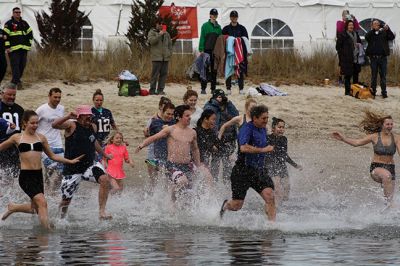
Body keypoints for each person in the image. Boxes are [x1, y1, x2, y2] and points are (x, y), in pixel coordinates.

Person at [0, 110, 82, 230]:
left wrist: (69, 161)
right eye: (32, 123)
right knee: (43, 202)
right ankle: (46, 232)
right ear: (25, 123)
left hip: (38, 175)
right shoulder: (17, 137)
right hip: (25, 176)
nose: (35, 125)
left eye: (37, 123)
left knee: (36, 208)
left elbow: (52, 156)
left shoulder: (41, 138)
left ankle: (13, 207)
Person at [136, 105, 212, 201]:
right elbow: (154, 137)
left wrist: (198, 164)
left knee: (206, 177)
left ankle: (204, 202)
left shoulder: (192, 132)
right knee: (182, 182)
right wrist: (141, 145)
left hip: (187, 165)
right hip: (172, 165)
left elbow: (195, 149)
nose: (190, 118)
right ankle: (170, 201)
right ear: (179, 117)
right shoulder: (171, 129)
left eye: (190, 115)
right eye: (187, 116)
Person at [52, 105, 113, 219]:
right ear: (79, 116)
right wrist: (68, 116)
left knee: (104, 180)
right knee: (65, 202)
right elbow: (54, 125)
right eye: (87, 116)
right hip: (72, 169)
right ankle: (59, 219)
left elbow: (94, 142)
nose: (89, 119)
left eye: (90, 116)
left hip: (89, 165)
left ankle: (102, 212)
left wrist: (105, 155)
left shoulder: (92, 127)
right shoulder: (72, 125)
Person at [332, 111, 400, 207]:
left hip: (391, 168)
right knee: (387, 177)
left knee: (389, 198)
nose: (390, 126)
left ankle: (385, 216)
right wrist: (343, 138)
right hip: (377, 167)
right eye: (387, 124)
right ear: (382, 125)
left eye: (391, 124)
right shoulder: (375, 136)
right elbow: (357, 142)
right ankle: (390, 205)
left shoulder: (396, 138)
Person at [220, 105, 276, 221]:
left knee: (270, 196)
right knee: (237, 205)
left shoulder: (263, 129)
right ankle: (225, 206)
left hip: (258, 171)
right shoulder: (246, 129)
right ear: (255, 118)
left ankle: (272, 227)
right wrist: (263, 150)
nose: (266, 121)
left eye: (267, 118)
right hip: (242, 171)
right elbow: (243, 148)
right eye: (263, 118)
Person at [265, 117, 302, 205]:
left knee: (287, 187)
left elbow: (284, 155)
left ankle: (283, 207)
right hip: (271, 165)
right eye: (279, 127)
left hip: (281, 166)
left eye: (283, 127)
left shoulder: (284, 139)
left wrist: (295, 165)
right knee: (277, 188)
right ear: (273, 128)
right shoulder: (267, 138)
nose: (281, 129)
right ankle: (275, 207)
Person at [204, 89, 239, 180]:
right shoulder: (210, 106)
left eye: (222, 97)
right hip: (216, 138)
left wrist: (229, 102)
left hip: (229, 138)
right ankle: (213, 181)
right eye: (219, 97)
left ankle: (227, 182)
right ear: (214, 97)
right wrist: (217, 103)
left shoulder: (228, 105)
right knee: (215, 161)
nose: (221, 99)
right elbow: (207, 117)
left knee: (227, 162)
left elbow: (236, 115)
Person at [36, 88, 65, 189]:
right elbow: (33, 123)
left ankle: (54, 191)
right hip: (44, 144)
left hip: (58, 143)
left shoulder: (61, 108)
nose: (57, 99)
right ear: (49, 96)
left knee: (62, 170)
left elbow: (60, 124)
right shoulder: (41, 109)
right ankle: (46, 186)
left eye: (59, 97)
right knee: (50, 168)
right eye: (55, 97)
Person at [143, 96, 172, 185]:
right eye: (164, 105)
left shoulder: (171, 120)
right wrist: (146, 133)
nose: (165, 107)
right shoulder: (153, 120)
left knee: (167, 178)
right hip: (152, 152)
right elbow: (147, 136)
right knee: (153, 179)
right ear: (160, 107)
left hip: (167, 152)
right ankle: (151, 196)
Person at [3, 7, 33, 87]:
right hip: (13, 49)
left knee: (22, 66)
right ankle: (15, 83)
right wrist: (7, 47)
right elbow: (5, 36)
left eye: (19, 12)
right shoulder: (8, 24)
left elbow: (30, 34)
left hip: (24, 49)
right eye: (16, 12)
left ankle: (16, 81)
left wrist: (29, 45)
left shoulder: (24, 23)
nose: (18, 13)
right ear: (13, 13)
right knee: (15, 66)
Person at [0, 83, 24, 183]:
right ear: (1, 94)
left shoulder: (19, 109)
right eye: (9, 95)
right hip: (1, 145)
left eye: (14, 95)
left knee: (14, 176)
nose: (12, 97)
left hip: (15, 148)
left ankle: (10, 197)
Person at [365, 20, 395, 98]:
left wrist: (387, 29)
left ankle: (384, 92)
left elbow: (392, 37)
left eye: (378, 24)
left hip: (383, 58)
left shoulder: (384, 33)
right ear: (372, 26)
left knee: (383, 76)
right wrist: (373, 29)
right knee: (374, 76)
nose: (376, 25)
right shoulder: (371, 34)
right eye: (374, 24)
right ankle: (373, 92)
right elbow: (366, 37)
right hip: (373, 58)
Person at [222, 10, 249, 95]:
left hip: (239, 53)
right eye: (232, 17)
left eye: (235, 17)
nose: (234, 18)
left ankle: (241, 89)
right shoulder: (226, 28)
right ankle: (228, 89)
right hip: (229, 53)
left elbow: (246, 40)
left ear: (237, 17)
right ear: (230, 18)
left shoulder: (242, 28)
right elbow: (222, 40)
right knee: (228, 69)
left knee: (240, 69)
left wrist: (238, 41)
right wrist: (230, 40)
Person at [198, 8, 222, 95]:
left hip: (215, 52)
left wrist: (220, 52)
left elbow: (220, 41)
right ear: (210, 15)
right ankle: (203, 88)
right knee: (204, 69)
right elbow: (202, 38)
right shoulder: (205, 26)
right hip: (206, 51)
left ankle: (213, 89)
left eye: (216, 15)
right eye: (213, 14)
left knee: (214, 70)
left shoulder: (219, 28)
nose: (214, 16)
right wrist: (201, 49)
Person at [336, 20, 362, 96]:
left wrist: (359, 45)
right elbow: (338, 47)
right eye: (350, 25)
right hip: (346, 59)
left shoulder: (356, 34)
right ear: (346, 26)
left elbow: (360, 43)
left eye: (352, 25)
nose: (351, 26)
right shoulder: (342, 35)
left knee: (356, 76)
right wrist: (343, 55)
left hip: (356, 59)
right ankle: (347, 92)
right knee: (347, 76)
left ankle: (355, 91)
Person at [148, 17, 173, 95]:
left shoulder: (167, 34)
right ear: (156, 24)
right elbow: (151, 42)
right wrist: (159, 34)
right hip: (156, 57)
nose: (161, 25)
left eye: (162, 24)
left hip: (165, 58)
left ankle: (160, 90)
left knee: (163, 75)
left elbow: (170, 45)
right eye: (160, 24)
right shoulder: (152, 32)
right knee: (154, 75)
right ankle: (152, 90)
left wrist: (169, 53)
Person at [91, 89, 117, 160]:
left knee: (107, 162)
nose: (99, 102)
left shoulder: (107, 112)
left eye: (101, 100)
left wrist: (119, 136)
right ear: (93, 100)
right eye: (97, 100)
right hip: (96, 142)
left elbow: (113, 125)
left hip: (107, 141)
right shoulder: (90, 112)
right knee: (97, 162)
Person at [149, 102, 175, 167]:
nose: (170, 116)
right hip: (158, 155)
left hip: (173, 155)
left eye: (172, 114)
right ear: (163, 112)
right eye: (168, 114)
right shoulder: (155, 122)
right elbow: (162, 133)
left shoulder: (175, 122)